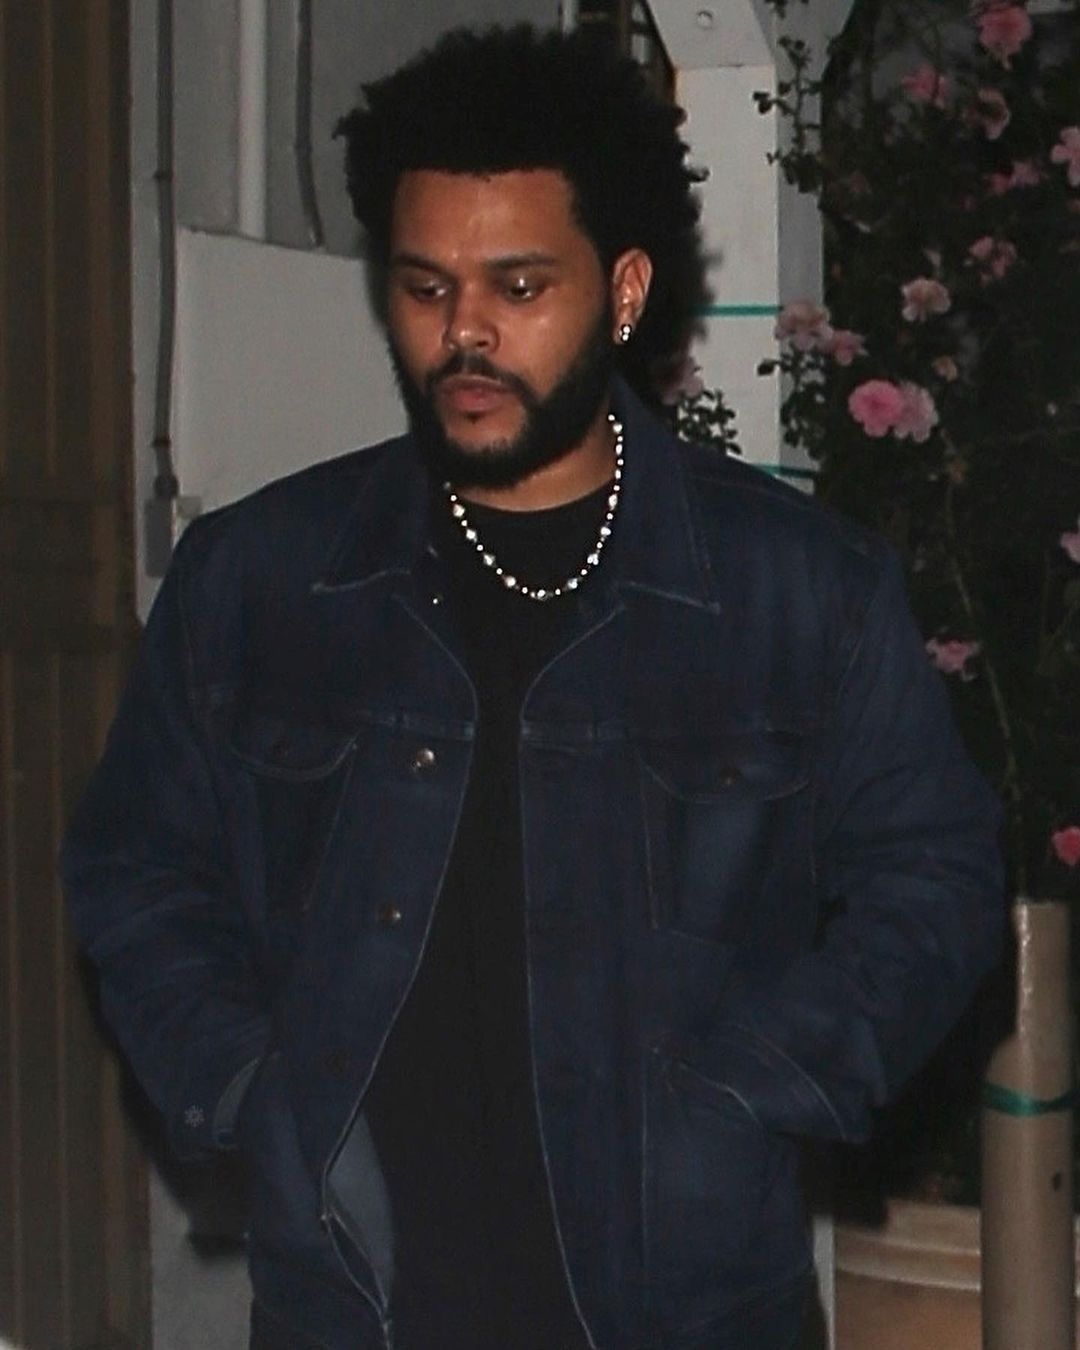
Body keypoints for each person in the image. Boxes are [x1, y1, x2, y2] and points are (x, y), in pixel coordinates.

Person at [62, 24, 1003, 1350]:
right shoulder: (262, 584)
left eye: (517, 284)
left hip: (682, 1309)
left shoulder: (798, 592)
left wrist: (750, 1094)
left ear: (622, 291)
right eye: (425, 286)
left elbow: (938, 882)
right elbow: (135, 872)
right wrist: (257, 1089)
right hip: (354, 1306)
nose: (465, 333)